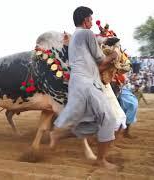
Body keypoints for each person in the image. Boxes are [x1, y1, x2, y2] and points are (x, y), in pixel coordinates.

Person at [49, 6, 118, 169]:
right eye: (91, 19)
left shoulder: (74, 38)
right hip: (86, 83)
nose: (92, 22)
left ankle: (56, 132)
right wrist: (114, 54)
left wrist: (106, 43)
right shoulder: (86, 34)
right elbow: (101, 59)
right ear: (86, 20)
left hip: (78, 83)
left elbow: (94, 48)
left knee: (83, 120)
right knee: (108, 118)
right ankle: (101, 160)